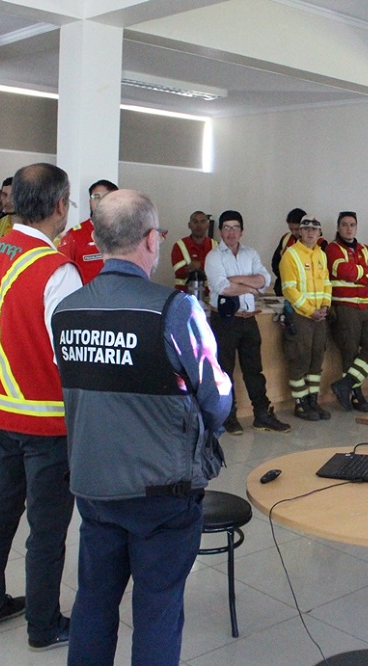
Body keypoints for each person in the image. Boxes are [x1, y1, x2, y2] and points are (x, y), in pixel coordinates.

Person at [52, 189, 232, 666]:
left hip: (93, 486)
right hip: (162, 494)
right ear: (152, 240)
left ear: (95, 239)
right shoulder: (175, 309)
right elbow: (216, 400)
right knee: (157, 610)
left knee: (93, 602)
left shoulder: (67, 311)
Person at [0, 163, 81, 652]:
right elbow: (70, 356)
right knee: (48, 525)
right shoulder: (58, 270)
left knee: (2, 508)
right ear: (59, 206)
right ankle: (43, 624)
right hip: (43, 417)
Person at [204, 210, 290, 434]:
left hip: (249, 320)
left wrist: (240, 282)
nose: (231, 232)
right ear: (221, 231)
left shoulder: (250, 254)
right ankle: (228, 416)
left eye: (235, 227)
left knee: (254, 370)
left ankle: (262, 414)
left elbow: (265, 280)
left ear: (241, 231)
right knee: (224, 371)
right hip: (225, 320)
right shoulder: (213, 257)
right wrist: (251, 286)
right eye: (226, 227)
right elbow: (223, 287)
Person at [326, 211, 368, 412]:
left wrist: (360, 274)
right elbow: (345, 272)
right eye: (344, 224)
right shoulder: (332, 248)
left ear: (357, 227)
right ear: (338, 227)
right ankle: (357, 396)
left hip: (367, 307)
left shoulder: (366, 249)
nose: (348, 228)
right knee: (349, 353)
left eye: (352, 224)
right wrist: (365, 273)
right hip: (345, 306)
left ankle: (345, 384)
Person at [279, 215, 332, 421]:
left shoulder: (321, 254)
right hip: (302, 316)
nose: (310, 232)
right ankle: (300, 404)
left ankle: (312, 401)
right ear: (299, 232)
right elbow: (289, 290)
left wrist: (325, 306)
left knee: (316, 359)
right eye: (306, 228)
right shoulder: (290, 255)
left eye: (314, 229)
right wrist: (311, 310)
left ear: (320, 233)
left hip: (320, 316)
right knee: (299, 359)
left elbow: (327, 282)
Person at [58, 179, 118, 284]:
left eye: (107, 196)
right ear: (90, 202)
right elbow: (61, 275)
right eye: (96, 197)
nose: (101, 200)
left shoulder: (129, 231)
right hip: (87, 298)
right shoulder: (74, 236)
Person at [171, 210, 216, 292]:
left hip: (211, 300)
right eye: (195, 222)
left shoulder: (216, 246)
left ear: (208, 225)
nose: (199, 225)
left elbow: (221, 271)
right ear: (189, 225)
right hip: (185, 297)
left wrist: (199, 265)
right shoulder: (179, 246)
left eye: (202, 222)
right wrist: (207, 268)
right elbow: (180, 272)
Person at [271, 207, 306, 296]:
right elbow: (275, 262)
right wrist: (285, 275)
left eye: (297, 229)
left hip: (304, 291)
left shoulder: (317, 242)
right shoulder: (286, 239)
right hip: (283, 288)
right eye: (291, 229)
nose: (294, 233)